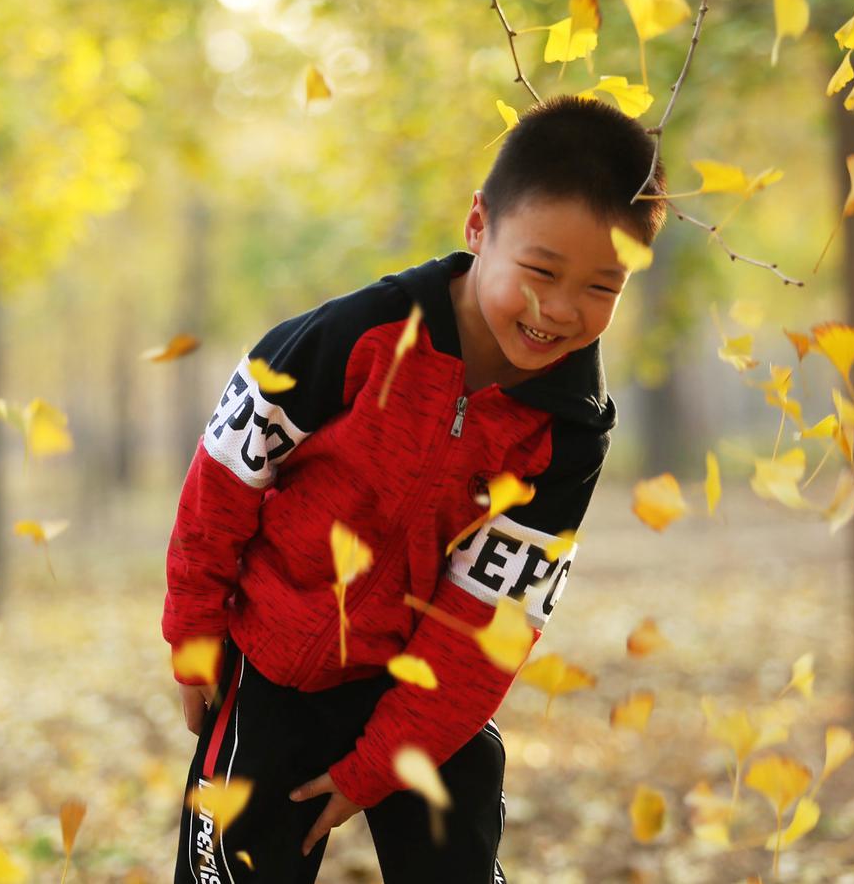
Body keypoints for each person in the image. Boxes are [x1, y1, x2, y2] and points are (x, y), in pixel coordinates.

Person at [163, 93, 667, 884]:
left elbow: (494, 616)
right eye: (540, 270)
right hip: (279, 667)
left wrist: (382, 761)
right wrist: (195, 634)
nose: (561, 309)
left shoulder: (567, 429)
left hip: (432, 689)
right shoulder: (348, 339)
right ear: (478, 227)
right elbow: (221, 482)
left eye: (603, 286)